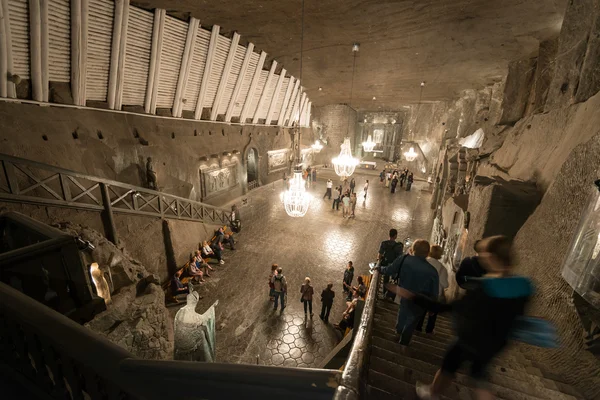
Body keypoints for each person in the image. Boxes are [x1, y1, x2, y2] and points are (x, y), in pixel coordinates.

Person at [389, 236, 533, 400]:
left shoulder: (486, 288)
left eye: (483, 254)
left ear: (492, 258)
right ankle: (433, 392)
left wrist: (411, 295)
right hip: (498, 341)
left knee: (450, 363)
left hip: (472, 338)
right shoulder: (523, 286)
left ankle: (432, 393)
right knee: (479, 374)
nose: (480, 257)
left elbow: (448, 307)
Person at [375, 239, 439, 345]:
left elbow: (389, 269)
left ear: (413, 250)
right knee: (412, 320)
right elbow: (434, 292)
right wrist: (432, 307)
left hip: (404, 294)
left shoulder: (404, 259)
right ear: (428, 253)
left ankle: (398, 332)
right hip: (420, 301)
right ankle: (404, 341)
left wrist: (378, 268)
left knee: (403, 312)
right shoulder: (433, 272)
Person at [416, 245, 448, 333]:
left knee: (420, 311)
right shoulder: (442, 269)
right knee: (433, 313)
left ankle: (417, 327)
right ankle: (429, 330)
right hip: (434, 294)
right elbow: (445, 284)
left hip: (421, 290)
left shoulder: (422, 262)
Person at [378, 229, 404, 298]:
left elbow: (379, 255)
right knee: (394, 281)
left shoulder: (384, 243)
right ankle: (391, 296)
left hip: (385, 265)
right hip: (394, 266)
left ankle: (384, 294)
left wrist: (379, 260)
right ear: (395, 236)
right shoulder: (398, 246)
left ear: (389, 234)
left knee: (385, 280)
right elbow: (400, 258)